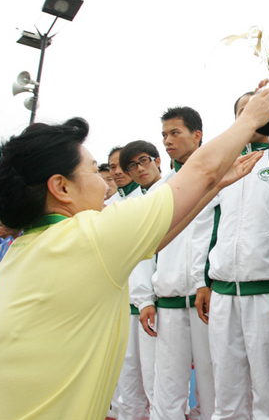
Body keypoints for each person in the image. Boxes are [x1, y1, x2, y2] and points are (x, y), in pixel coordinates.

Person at [0, 88, 269, 419]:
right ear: (61, 187)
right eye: (94, 171)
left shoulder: (24, 250)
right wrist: (251, 116)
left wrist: (216, 186)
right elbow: (202, 169)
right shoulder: (89, 238)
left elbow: (158, 237)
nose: (106, 185)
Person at [193, 92, 269, 420]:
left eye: (257, 107)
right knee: (226, 390)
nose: (251, 114)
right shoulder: (224, 164)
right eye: (242, 110)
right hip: (223, 293)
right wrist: (202, 281)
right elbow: (207, 226)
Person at [151, 106, 217, 420]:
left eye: (175, 133)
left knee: (213, 385)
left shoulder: (220, 177)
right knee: (167, 386)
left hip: (209, 299)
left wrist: (207, 281)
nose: (167, 141)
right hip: (169, 300)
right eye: (164, 134)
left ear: (197, 135)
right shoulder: (160, 189)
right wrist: (147, 296)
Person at [114, 140, 167, 420]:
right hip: (128, 306)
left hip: (155, 304)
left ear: (157, 160)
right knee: (130, 379)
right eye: (130, 165)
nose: (137, 169)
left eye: (143, 161)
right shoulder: (118, 207)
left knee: (160, 382)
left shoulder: (166, 193)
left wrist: (147, 298)